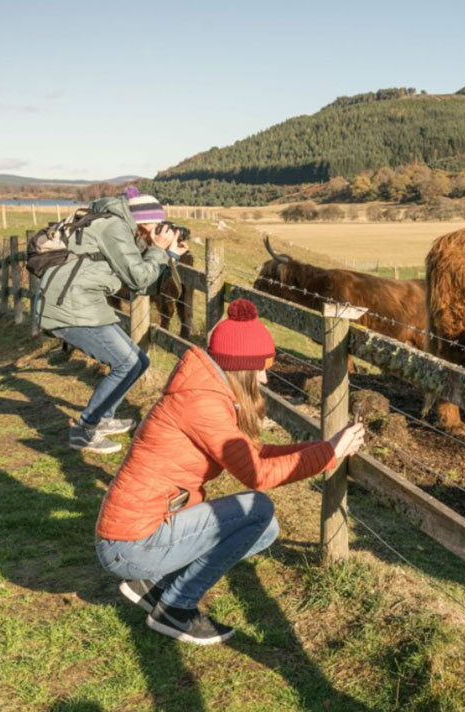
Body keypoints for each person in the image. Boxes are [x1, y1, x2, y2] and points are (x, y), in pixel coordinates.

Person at [93, 299, 367, 644]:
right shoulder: (202, 403)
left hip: (143, 530)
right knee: (258, 508)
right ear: (239, 367)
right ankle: (176, 608)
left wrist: (323, 448)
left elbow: (255, 454)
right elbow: (258, 474)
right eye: (260, 368)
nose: (265, 377)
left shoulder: (205, 390)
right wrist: (330, 453)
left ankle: (154, 585)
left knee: (265, 529)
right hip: (131, 544)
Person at [40, 186, 188, 454]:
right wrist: (158, 249)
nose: (161, 229)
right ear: (145, 220)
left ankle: (103, 419)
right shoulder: (113, 227)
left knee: (139, 361)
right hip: (71, 307)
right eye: (158, 223)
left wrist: (170, 255)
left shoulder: (118, 227)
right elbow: (139, 278)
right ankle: (84, 430)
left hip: (84, 303)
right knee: (126, 362)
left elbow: (142, 283)